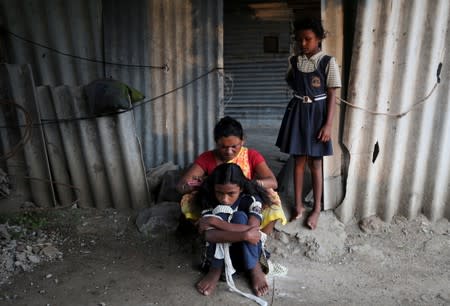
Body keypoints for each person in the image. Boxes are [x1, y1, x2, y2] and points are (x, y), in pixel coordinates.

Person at [275, 17, 342, 230]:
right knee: (298, 160)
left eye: (308, 39)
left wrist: (328, 125)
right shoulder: (295, 61)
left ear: (319, 39)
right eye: (299, 40)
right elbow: (292, 82)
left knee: (315, 162)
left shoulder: (327, 62)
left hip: (318, 115)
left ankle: (316, 209)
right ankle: (298, 205)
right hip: (297, 112)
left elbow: (332, 94)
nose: (303, 44)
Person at [177, 116, 287, 234]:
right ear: (216, 142)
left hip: (246, 202)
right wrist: (203, 183)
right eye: (223, 147)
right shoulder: (207, 158)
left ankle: (260, 240)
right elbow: (181, 186)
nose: (229, 151)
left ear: (243, 140)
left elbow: (273, 182)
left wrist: (247, 184)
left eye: (234, 146)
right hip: (216, 203)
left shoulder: (251, 156)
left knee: (273, 204)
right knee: (189, 202)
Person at [195, 163, 269, 298]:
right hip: (218, 256)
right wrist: (245, 234)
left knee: (239, 216)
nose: (224, 198)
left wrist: (214, 222)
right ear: (213, 188)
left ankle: (255, 268)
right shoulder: (209, 198)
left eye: (231, 193)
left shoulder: (251, 198)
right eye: (219, 192)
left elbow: (254, 229)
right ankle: (215, 270)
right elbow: (209, 235)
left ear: (240, 189)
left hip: (247, 253)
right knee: (222, 212)